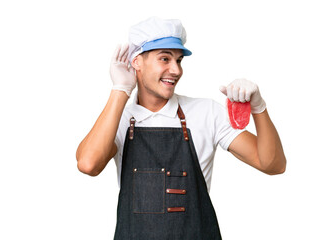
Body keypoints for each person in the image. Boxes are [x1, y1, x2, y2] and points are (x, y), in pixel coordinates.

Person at [76, 17, 286, 239]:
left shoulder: (207, 113)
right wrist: (120, 89)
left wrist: (259, 108)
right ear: (137, 62)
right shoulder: (119, 119)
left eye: (179, 60)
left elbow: (272, 164)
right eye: (164, 59)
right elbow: (88, 164)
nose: (175, 70)